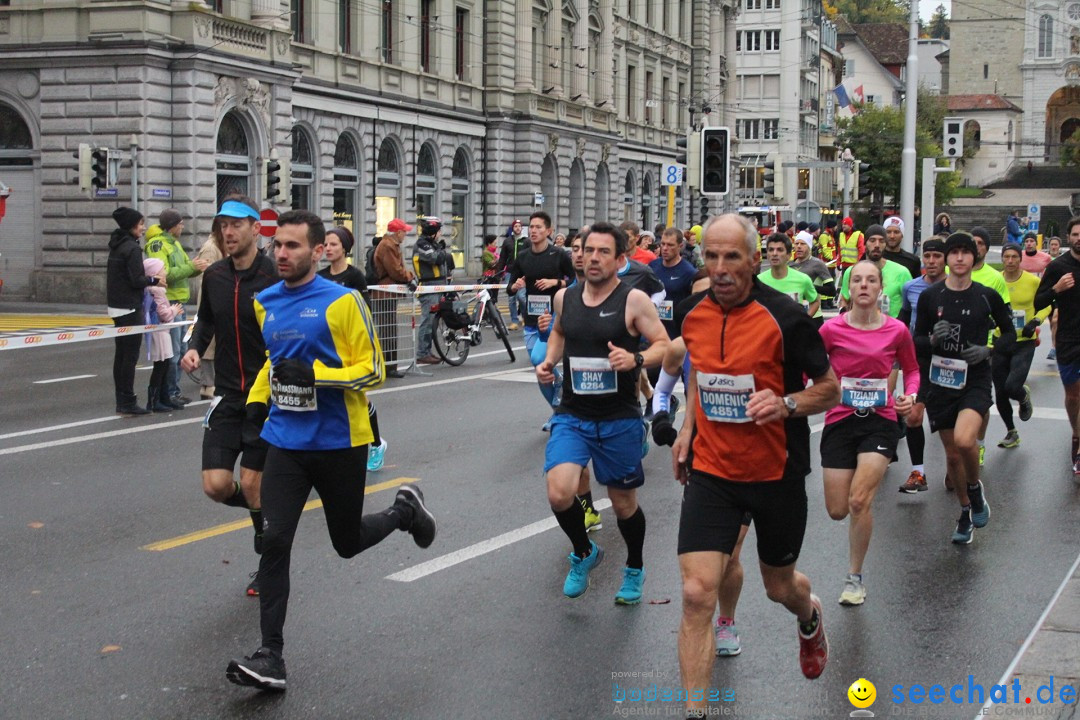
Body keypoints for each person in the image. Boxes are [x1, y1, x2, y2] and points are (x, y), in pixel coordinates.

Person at [224, 209, 435, 692]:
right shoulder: (266, 301)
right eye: (278, 245)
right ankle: (270, 656)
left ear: (318, 252)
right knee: (274, 543)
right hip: (286, 443)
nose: (282, 254)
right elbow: (273, 364)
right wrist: (257, 403)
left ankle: (404, 510)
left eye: (293, 246)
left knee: (346, 542)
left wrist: (317, 376)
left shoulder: (342, 302)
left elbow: (376, 368)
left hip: (340, 441)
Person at [673, 214, 839, 714]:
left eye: (732, 257)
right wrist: (687, 429)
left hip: (775, 474)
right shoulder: (692, 314)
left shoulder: (787, 317)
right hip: (713, 471)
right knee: (697, 592)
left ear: (753, 258)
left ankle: (808, 614)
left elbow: (831, 389)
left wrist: (786, 404)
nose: (720, 269)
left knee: (778, 587)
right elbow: (701, 372)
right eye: (711, 257)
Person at [537, 221, 669, 604]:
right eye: (587, 250)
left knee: (623, 503)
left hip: (618, 418)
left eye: (603, 252)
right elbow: (560, 331)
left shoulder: (633, 301)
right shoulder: (566, 297)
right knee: (560, 493)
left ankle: (634, 567)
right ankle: (584, 552)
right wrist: (549, 360)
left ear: (620, 259)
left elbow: (664, 345)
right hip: (573, 414)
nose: (592, 258)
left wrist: (636, 357)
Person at [182, 197, 278, 596]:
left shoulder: (273, 277)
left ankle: (267, 556)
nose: (229, 232)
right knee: (216, 485)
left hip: (263, 397)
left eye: (237, 225)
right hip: (226, 395)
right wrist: (193, 346)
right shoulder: (217, 276)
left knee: (253, 482)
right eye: (223, 225)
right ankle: (265, 510)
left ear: (256, 229)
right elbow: (206, 319)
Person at [819, 260, 919, 606]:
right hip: (839, 420)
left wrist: (910, 395)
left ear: (880, 288)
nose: (864, 285)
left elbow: (912, 369)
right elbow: (812, 370)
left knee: (860, 500)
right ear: (848, 289)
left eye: (871, 280)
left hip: (880, 420)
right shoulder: (831, 330)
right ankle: (854, 570)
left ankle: (855, 578)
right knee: (837, 509)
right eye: (857, 280)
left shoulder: (896, 330)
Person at [913, 233, 1015, 544]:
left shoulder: (986, 296)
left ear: (974, 258)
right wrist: (931, 340)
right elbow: (915, 342)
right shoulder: (931, 297)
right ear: (945, 258)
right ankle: (965, 511)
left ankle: (974, 487)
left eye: (965, 253)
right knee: (953, 456)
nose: (959, 258)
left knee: (964, 438)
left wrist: (991, 350)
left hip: (975, 379)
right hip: (941, 381)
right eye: (953, 252)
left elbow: (1010, 333)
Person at [319, 226, 389, 472]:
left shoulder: (355, 277)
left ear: (345, 249)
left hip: (350, 346)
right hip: (327, 346)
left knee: (358, 396)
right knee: (329, 397)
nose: (328, 248)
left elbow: (364, 312)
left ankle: (376, 443)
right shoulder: (320, 277)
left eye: (334, 244)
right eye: (326, 244)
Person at [508, 211, 574, 421]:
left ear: (549, 231)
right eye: (531, 227)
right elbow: (510, 287)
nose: (533, 231)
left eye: (538, 227)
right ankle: (557, 410)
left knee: (539, 359)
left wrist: (556, 283)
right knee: (540, 370)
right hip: (531, 318)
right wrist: (515, 285)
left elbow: (574, 281)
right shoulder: (523, 256)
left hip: (553, 317)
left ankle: (560, 394)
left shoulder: (559, 255)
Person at [896, 237, 948, 493]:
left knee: (947, 421)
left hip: (952, 361)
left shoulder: (958, 287)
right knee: (914, 416)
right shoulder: (911, 288)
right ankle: (919, 473)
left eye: (937, 256)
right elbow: (903, 319)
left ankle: (956, 467)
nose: (931, 261)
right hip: (920, 357)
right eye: (927, 256)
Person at [145, 208, 209, 407]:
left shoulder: (175, 244)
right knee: (172, 352)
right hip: (169, 302)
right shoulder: (157, 245)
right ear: (172, 226)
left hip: (179, 302)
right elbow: (164, 275)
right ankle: (169, 393)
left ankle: (173, 391)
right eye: (180, 223)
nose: (183, 227)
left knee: (181, 349)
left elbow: (179, 271)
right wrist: (191, 267)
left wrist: (194, 267)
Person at [1034, 217, 1080, 475]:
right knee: (1074, 396)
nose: (1079, 238)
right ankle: (1076, 433)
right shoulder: (1059, 267)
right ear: (1068, 237)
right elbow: (1039, 302)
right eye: (1075, 234)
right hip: (1069, 341)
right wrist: (1056, 288)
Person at [994, 243, 1048, 449]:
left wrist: (1034, 322)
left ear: (1020, 259)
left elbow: (1047, 305)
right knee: (1000, 392)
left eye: (1014, 257)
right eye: (1006, 257)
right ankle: (1011, 432)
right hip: (1001, 341)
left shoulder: (1032, 281)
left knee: (1011, 386)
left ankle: (1022, 395)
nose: (1010, 261)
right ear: (1002, 259)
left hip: (1024, 341)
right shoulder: (996, 280)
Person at [106, 206, 159, 416]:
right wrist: (154, 280)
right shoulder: (132, 248)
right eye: (140, 224)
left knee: (121, 355)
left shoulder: (117, 245)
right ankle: (127, 401)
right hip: (130, 306)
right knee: (130, 356)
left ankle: (122, 398)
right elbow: (137, 280)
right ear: (132, 226)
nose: (144, 228)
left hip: (116, 306)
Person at [187, 218, 226, 399]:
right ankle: (207, 384)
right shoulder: (211, 248)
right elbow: (208, 276)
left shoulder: (219, 245)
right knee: (209, 344)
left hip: (219, 298)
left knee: (216, 343)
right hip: (212, 299)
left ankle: (212, 383)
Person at [838, 225, 913, 318]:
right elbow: (845, 299)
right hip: (861, 329)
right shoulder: (852, 271)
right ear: (865, 243)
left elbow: (911, 304)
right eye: (872, 240)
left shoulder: (902, 272)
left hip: (891, 330)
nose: (877, 245)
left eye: (881, 241)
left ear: (885, 244)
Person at [373, 218, 415, 378]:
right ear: (398, 232)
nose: (405, 235)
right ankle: (387, 367)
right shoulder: (388, 246)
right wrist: (410, 276)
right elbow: (395, 270)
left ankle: (390, 366)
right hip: (385, 293)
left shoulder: (389, 244)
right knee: (387, 330)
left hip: (386, 292)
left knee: (388, 329)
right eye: (404, 232)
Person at [141, 257, 185, 412]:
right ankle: (154, 400)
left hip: (161, 331)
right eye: (161, 271)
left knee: (164, 365)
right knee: (161, 366)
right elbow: (164, 314)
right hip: (160, 332)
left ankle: (163, 397)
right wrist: (174, 309)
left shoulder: (154, 290)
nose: (164, 273)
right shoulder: (156, 291)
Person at [412, 216, 455, 365]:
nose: (440, 233)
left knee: (432, 322)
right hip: (428, 288)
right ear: (432, 231)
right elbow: (435, 258)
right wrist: (442, 251)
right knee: (428, 321)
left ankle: (427, 351)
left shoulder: (431, 244)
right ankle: (422, 353)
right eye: (438, 230)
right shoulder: (422, 245)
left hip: (437, 287)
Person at [757, 233, 820, 323]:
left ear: (789, 255)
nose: (774, 254)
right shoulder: (759, 281)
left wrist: (804, 320)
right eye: (771, 250)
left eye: (780, 250)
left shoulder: (803, 279)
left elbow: (815, 301)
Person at [789, 231, 836, 319]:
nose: (799, 246)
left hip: (814, 316)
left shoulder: (817, 264)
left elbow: (832, 291)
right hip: (793, 314)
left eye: (803, 244)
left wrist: (809, 287)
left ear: (809, 247)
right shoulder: (789, 265)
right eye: (796, 243)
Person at [495, 219, 529, 329]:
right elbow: (502, 258)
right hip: (510, 272)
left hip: (523, 273)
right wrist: (498, 273)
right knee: (511, 298)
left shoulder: (526, 241)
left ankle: (525, 317)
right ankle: (514, 321)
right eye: (515, 226)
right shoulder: (507, 241)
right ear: (513, 228)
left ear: (522, 228)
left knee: (521, 297)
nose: (517, 228)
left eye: (519, 226)